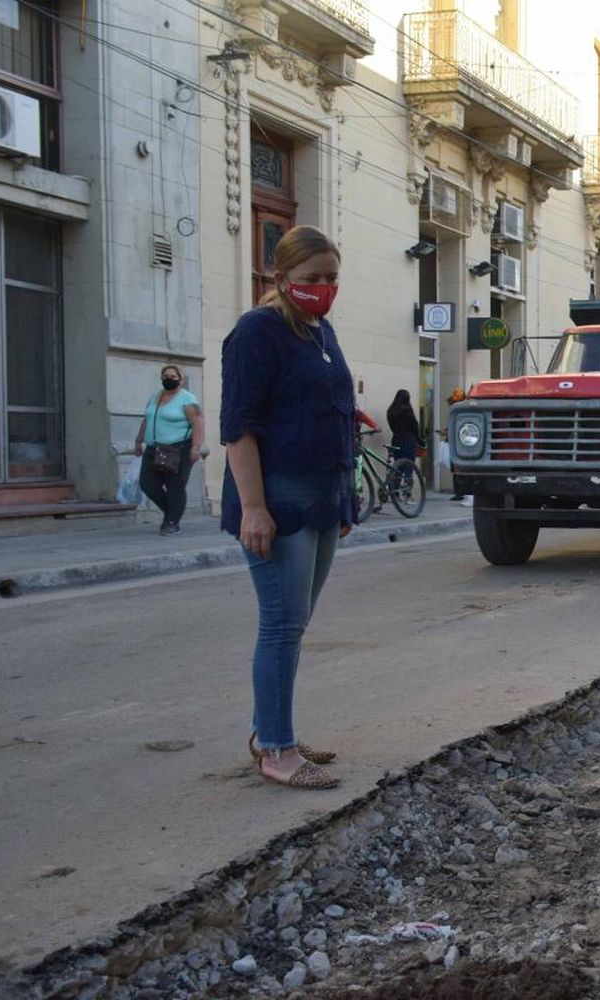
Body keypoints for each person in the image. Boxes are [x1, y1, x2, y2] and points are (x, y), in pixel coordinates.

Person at [220, 224, 352, 790]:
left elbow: (336, 413)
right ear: (280, 278)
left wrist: (343, 500)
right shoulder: (257, 332)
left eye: (331, 278)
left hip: (322, 500)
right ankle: (276, 750)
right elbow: (237, 429)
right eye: (311, 278)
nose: (323, 287)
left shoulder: (322, 333)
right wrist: (254, 509)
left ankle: (271, 732)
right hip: (278, 500)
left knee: (295, 625)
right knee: (280, 625)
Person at [134, 364, 206, 534]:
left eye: (173, 377)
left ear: (180, 380)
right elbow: (147, 419)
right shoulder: (155, 397)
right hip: (154, 447)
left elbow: (198, 423)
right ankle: (172, 511)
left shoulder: (187, 399)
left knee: (175, 486)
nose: (168, 379)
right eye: (165, 376)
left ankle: (172, 521)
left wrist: (196, 447)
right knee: (148, 483)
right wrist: (139, 440)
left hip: (176, 447)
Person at [386, 389, 423, 490]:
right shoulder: (407, 410)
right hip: (408, 441)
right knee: (408, 467)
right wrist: (420, 440)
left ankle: (395, 492)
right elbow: (414, 426)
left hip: (396, 439)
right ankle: (407, 493)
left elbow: (392, 427)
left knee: (398, 468)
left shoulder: (391, 410)